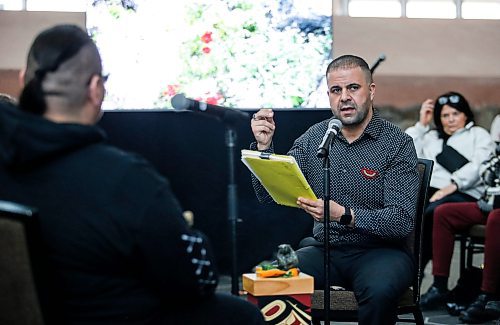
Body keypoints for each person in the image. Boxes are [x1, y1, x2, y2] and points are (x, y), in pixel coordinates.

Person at [0, 24, 264, 325]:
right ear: (96, 88)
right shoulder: (126, 179)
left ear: (24, 80)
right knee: (241, 314)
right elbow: (195, 281)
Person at [250, 55, 420, 325]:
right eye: (336, 90)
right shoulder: (315, 137)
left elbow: (400, 221)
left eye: (353, 88)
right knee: (271, 280)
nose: (344, 97)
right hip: (325, 249)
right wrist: (264, 148)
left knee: (378, 291)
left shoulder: (396, 143)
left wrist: (344, 214)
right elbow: (267, 195)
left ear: (371, 91)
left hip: (382, 252)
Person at [405, 92, 494, 275]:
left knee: (428, 213)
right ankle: (408, 269)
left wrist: (453, 184)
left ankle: (417, 270)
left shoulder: (478, 134)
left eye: (456, 114)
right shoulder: (431, 137)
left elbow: (480, 165)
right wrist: (422, 125)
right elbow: (408, 152)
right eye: (445, 115)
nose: (451, 120)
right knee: (407, 212)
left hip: (464, 192)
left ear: (465, 115)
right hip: (431, 192)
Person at [419, 147, 500, 323]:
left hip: (493, 208)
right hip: (489, 202)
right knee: (443, 213)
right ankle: (439, 287)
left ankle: (487, 296)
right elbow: (487, 169)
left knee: (495, 219)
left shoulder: (477, 135)